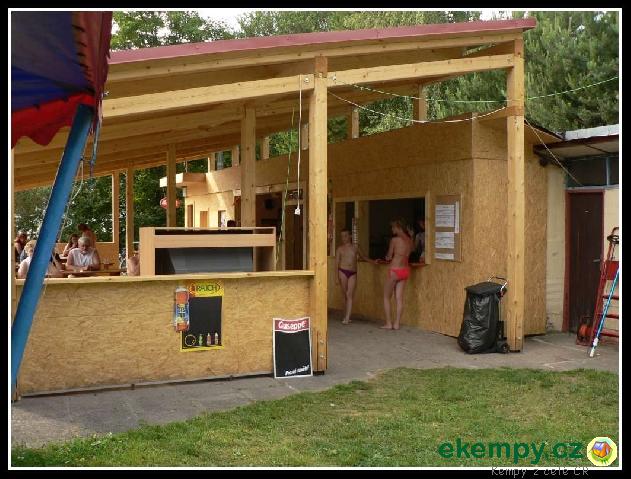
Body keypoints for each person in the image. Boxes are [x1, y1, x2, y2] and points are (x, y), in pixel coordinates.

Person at [335, 229, 373, 324]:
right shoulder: (339, 249)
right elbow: (336, 264)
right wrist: (336, 277)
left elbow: (364, 257)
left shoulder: (355, 247)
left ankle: (347, 318)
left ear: (350, 236)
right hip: (342, 271)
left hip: (353, 273)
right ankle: (345, 315)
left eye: (345, 236)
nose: (344, 238)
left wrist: (373, 262)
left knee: (349, 294)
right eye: (342, 236)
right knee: (344, 295)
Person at [381, 219, 414, 330]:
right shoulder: (409, 240)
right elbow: (411, 251)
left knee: (386, 297)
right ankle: (397, 324)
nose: (392, 229)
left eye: (393, 227)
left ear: (398, 227)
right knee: (399, 298)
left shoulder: (394, 240)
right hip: (405, 270)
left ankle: (388, 323)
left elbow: (389, 256)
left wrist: (386, 257)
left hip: (395, 270)